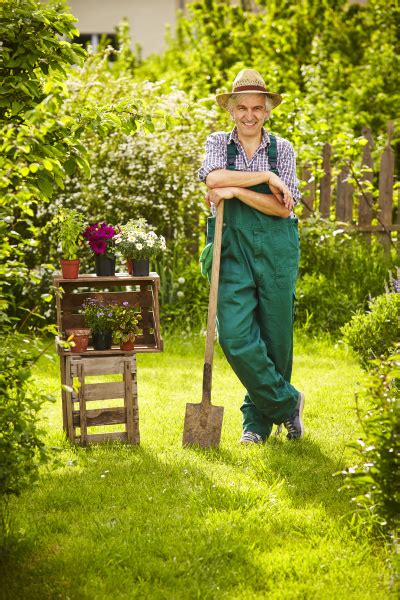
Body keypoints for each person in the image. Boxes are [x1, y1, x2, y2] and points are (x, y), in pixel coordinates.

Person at [198, 68, 304, 444]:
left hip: (276, 247)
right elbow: (212, 179)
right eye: (241, 107)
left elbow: (282, 210)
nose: (248, 115)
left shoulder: (283, 149)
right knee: (236, 335)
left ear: (267, 111)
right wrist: (267, 180)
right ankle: (288, 404)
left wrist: (237, 190)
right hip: (230, 247)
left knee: (276, 337)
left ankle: (256, 426)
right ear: (230, 110)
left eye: (256, 108)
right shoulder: (216, 143)